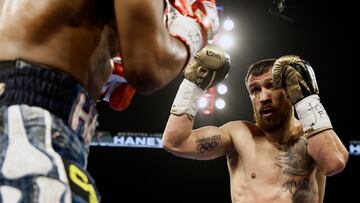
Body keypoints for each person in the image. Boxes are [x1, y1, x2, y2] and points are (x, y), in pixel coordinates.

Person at [0, 0, 220, 202]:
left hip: (25, 115)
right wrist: (191, 30)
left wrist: (100, 67)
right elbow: (149, 67)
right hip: (30, 123)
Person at [162, 54, 349, 203]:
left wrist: (306, 99)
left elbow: (335, 163)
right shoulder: (238, 134)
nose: (263, 97)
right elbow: (175, 142)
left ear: (289, 88)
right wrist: (193, 84)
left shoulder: (311, 135)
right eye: (255, 89)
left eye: (272, 86)